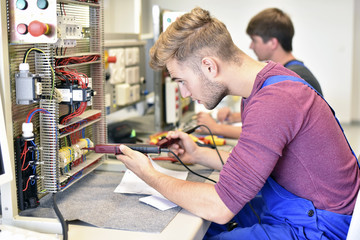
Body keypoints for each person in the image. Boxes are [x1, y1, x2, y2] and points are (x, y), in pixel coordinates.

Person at [116, 7, 360, 239]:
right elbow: (249, 166)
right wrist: (199, 154)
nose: (185, 93)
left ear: (209, 66)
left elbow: (220, 206)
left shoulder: (274, 101)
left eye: (182, 81)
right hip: (300, 212)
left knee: (207, 224)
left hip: (318, 229)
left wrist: (149, 175)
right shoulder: (264, 84)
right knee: (203, 224)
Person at [196, 8, 323, 139]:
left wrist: (216, 128)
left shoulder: (290, 80)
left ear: (273, 43)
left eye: (254, 40)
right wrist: (234, 117)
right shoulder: (291, 72)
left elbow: (266, 133)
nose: (251, 46)